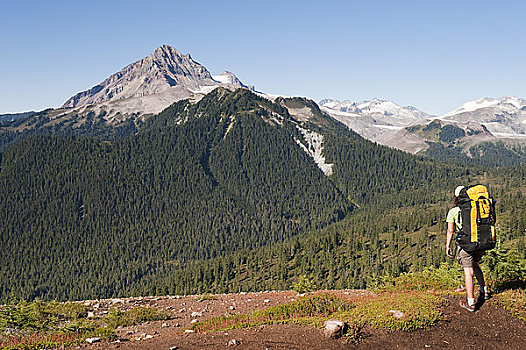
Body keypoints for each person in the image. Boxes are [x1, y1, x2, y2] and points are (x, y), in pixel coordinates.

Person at [445, 185, 489, 312]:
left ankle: (470, 303)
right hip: (479, 242)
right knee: (475, 265)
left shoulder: (453, 212)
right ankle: (484, 290)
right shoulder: (476, 207)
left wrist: (448, 245)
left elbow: (450, 231)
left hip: (465, 245)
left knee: (468, 271)